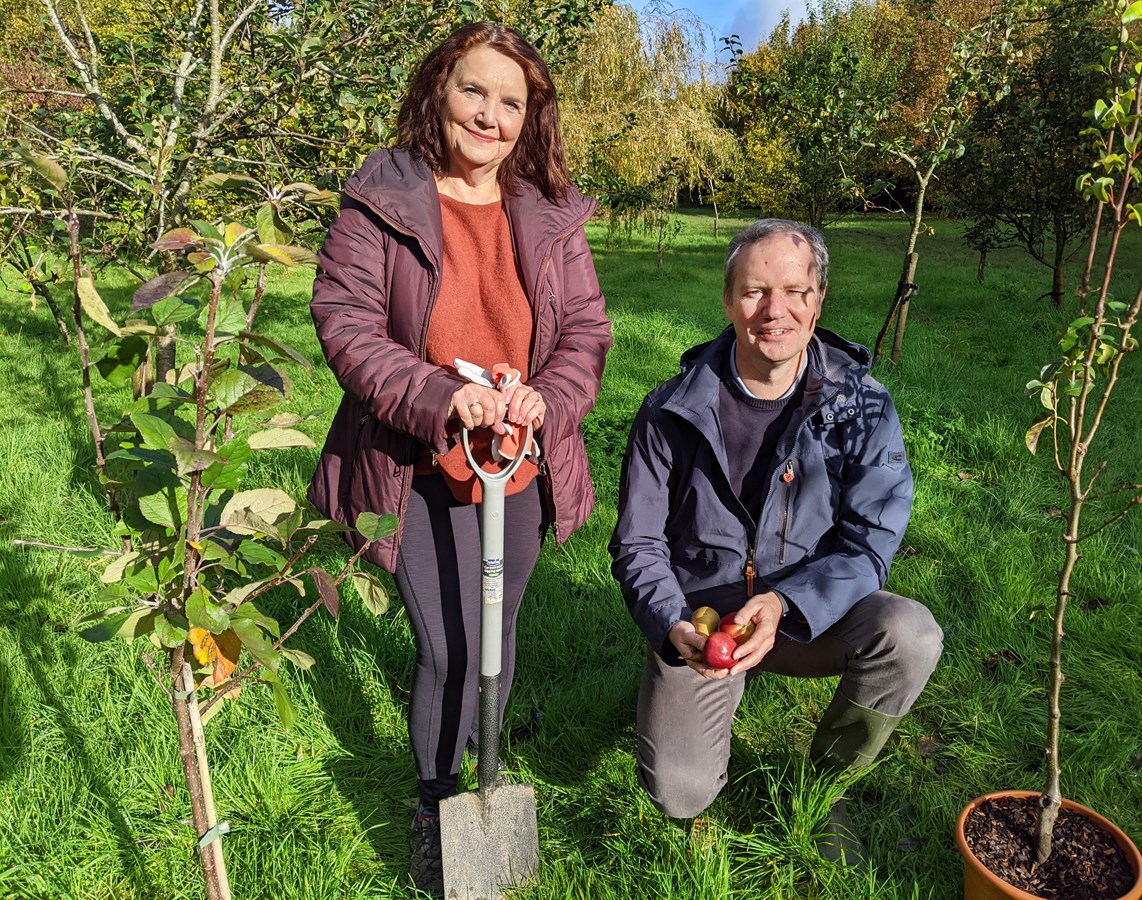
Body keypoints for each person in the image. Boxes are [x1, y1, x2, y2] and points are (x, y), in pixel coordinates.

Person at [307, 23, 611, 893]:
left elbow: (585, 332)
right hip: (417, 463)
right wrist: (443, 395)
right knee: (447, 650)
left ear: (531, 118)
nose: (491, 114)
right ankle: (436, 797)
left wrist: (545, 396)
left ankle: (485, 758)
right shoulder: (385, 196)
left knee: (498, 634)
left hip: (513, 463)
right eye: (474, 91)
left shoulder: (550, 208)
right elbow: (347, 324)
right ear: (440, 89)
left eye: (511, 102)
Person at [609, 219, 942, 867]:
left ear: (818, 299)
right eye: (756, 291)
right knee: (679, 793)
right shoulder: (671, 411)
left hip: (809, 617)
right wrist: (671, 622)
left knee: (911, 634)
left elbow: (872, 542)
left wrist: (785, 604)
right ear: (730, 299)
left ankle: (826, 785)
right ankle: (691, 699)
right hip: (707, 624)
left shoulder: (862, 408)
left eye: (795, 290)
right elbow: (638, 545)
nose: (776, 311)